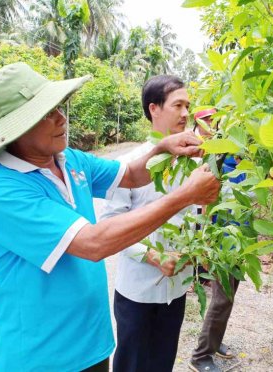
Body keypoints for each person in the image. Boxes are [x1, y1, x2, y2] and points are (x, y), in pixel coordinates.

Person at [0, 62, 220, 372]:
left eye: (59, 108)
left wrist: (163, 148)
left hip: (92, 344)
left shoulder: (71, 160)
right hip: (39, 356)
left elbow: (130, 173)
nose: (61, 118)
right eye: (47, 113)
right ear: (17, 128)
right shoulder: (0, 189)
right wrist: (185, 195)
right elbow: (93, 243)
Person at [99, 75, 194, 372]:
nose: (185, 113)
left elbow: (195, 218)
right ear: (154, 109)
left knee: (162, 363)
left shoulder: (193, 161)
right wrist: (154, 257)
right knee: (132, 365)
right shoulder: (129, 165)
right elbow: (111, 224)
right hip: (137, 293)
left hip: (175, 291)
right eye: (178, 105)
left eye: (188, 105)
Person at [189, 108, 245, 372]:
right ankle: (201, 355)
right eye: (207, 121)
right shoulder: (207, 159)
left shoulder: (236, 155)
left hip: (240, 238)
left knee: (230, 296)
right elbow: (201, 206)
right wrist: (206, 244)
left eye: (216, 120)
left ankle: (216, 342)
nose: (213, 125)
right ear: (198, 125)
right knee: (222, 298)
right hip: (220, 238)